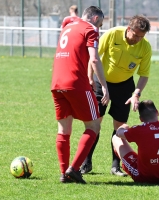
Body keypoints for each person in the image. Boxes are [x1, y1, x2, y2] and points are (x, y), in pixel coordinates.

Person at [81, 15, 152, 177]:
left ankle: (116, 166)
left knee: (120, 127)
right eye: (136, 35)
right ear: (129, 29)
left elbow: (144, 74)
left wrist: (136, 94)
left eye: (142, 37)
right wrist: (90, 78)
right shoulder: (112, 34)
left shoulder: (145, 47)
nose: (138, 40)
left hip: (125, 86)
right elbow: (94, 57)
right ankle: (86, 163)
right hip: (101, 83)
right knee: (94, 124)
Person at [51, 6, 109, 184]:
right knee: (94, 126)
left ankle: (64, 173)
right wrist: (104, 86)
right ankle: (74, 169)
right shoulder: (89, 29)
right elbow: (94, 59)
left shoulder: (69, 26)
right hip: (76, 83)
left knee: (64, 130)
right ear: (95, 18)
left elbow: (69, 20)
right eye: (99, 23)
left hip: (56, 83)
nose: (98, 28)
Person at [112, 100, 159, 184]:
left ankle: (118, 165)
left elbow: (119, 133)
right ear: (157, 112)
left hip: (145, 176)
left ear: (141, 119)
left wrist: (124, 126)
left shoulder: (139, 130)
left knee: (115, 138)